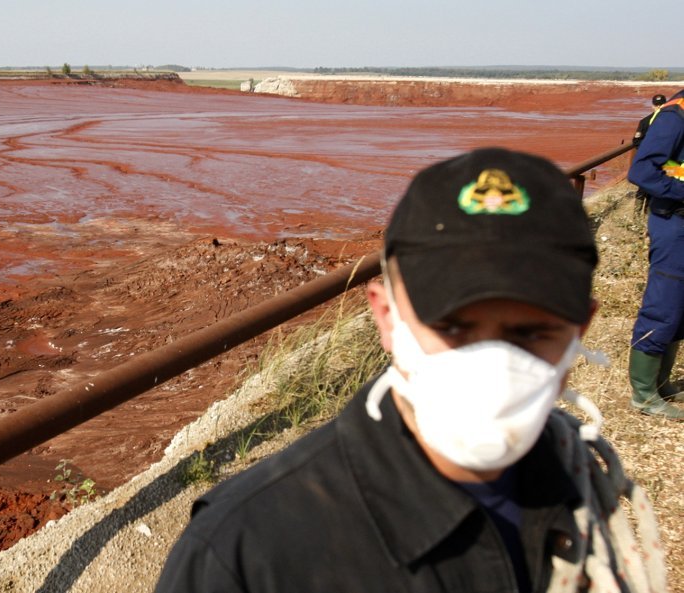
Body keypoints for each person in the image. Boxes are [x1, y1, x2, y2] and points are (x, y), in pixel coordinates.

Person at [155, 148, 666, 593]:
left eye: (530, 334)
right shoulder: (245, 551)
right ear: (386, 318)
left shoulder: (578, 486)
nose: (494, 367)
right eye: (454, 327)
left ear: (580, 330)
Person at [626, 89, 684, 420]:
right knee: (665, 304)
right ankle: (644, 394)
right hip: (673, 222)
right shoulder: (675, 117)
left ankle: (662, 384)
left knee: (680, 307)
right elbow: (642, 172)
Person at [632, 94, 670, 213]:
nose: (658, 107)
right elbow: (636, 140)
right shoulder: (645, 122)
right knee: (642, 187)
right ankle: (636, 215)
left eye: (661, 104)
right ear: (653, 106)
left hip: (665, 161)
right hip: (648, 160)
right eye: (656, 105)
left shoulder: (672, 123)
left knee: (657, 188)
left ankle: (649, 214)